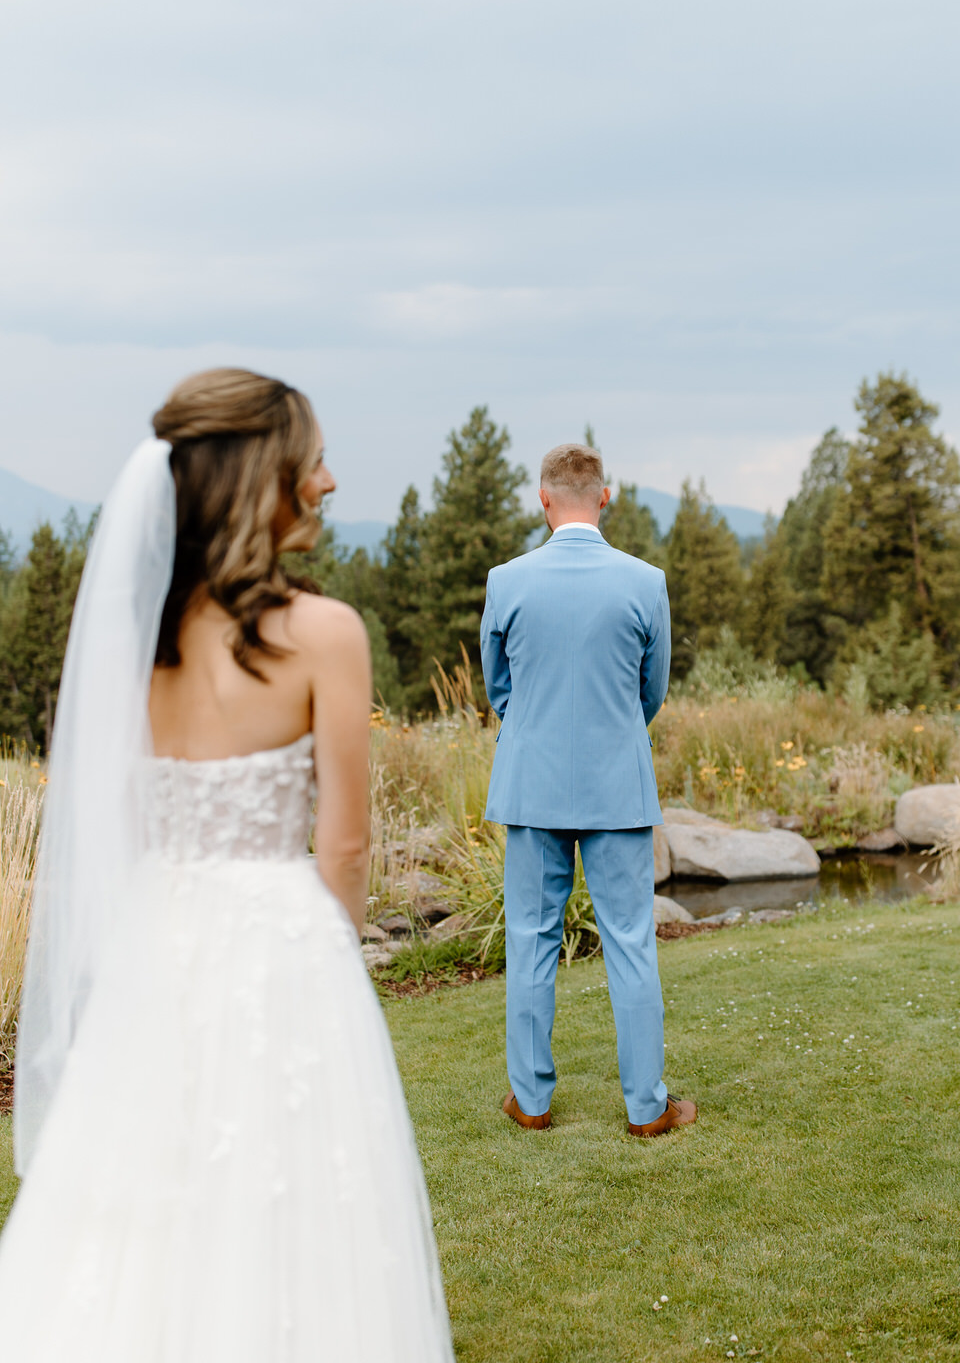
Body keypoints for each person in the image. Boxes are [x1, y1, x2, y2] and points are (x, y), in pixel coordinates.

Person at [0, 369, 453, 1361]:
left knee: (141, 1202)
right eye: (315, 460)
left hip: (152, 949)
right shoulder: (324, 634)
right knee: (298, 1209)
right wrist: (327, 973)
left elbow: (113, 823)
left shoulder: (133, 642)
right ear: (265, 479)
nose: (330, 482)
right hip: (286, 947)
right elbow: (343, 842)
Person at [480, 442, 697, 1138]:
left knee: (531, 939)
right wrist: (609, 733)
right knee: (631, 943)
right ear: (605, 497)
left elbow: (499, 689)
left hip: (532, 785)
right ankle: (646, 1109)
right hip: (615, 788)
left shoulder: (506, 582)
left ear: (544, 500)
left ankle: (532, 1101)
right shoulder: (646, 580)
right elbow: (652, 689)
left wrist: (540, 731)